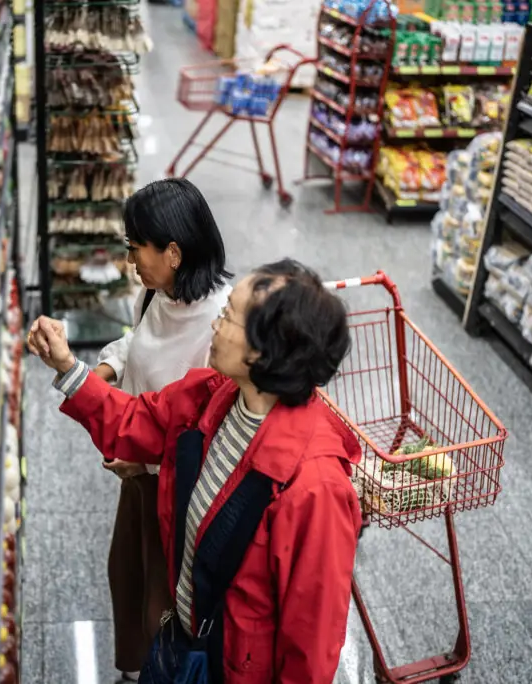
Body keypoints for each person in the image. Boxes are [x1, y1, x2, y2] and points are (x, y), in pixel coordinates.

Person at [27, 259, 360, 684]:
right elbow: (135, 419)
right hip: (191, 641)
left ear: (261, 351)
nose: (216, 325)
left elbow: (310, 646)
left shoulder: (314, 487)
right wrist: (68, 367)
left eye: (228, 316)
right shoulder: (214, 397)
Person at [94, 178, 232, 682]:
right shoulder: (155, 294)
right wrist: (107, 369)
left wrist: (146, 462)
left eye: (136, 248)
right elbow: (138, 343)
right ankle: (133, 671)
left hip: (178, 487)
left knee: (162, 597)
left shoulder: (220, 325)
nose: (130, 259)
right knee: (125, 573)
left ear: (173, 252)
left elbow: (206, 428)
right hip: (139, 470)